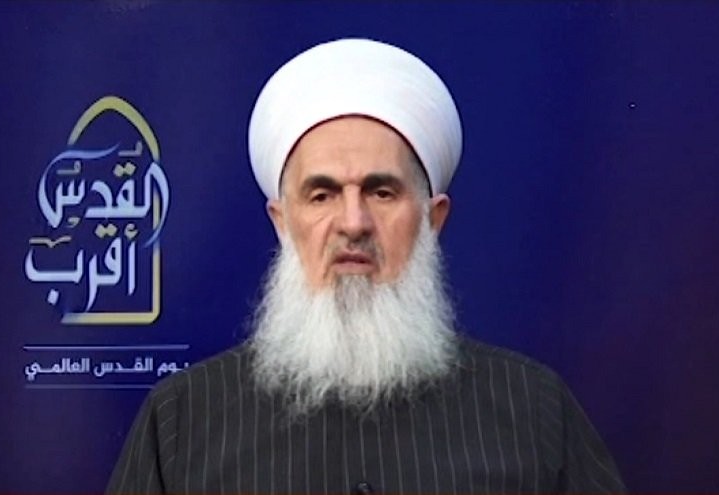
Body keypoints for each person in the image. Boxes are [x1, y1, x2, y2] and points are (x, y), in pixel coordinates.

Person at [107, 38, 625, 494]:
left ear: (433, 218)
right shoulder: (181, 422)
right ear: (283, 222)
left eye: (382, 192)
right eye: (322, 195)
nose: (353, 223)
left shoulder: (533, 409)